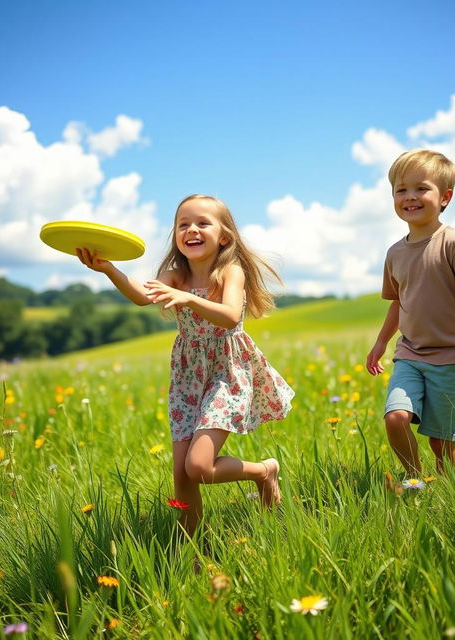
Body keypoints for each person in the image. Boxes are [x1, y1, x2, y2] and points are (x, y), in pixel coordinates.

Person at [77, 194, 294, 534]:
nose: (191, 230)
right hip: (187, 377)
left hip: (226, 373)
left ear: (224, 235)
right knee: (182, 476)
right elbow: (142, 296)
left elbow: (229, 316)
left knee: (199, 467)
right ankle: (192, 549)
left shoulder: (229, 272)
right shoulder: (174, 274)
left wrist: (189, 298)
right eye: (183, 224)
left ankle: (263, 471)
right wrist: (108, 269)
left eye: (202, 223)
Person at [366, 149, 455, 476]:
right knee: (395, 417)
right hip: (410, 354)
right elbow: (398, 302)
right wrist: (380, 343)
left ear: (445, 197)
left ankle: (448, 492)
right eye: (401, 190)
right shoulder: (395, 253)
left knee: (442, 443)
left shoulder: (453, 243)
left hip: (454, 357)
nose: (409, 196)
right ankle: (417, 480)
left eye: (421, 188)